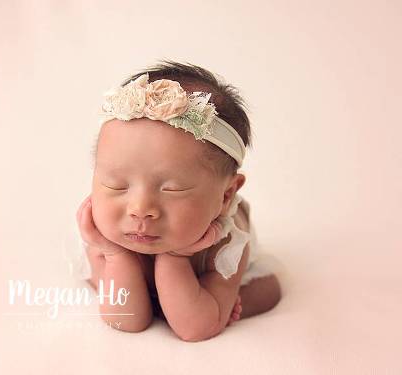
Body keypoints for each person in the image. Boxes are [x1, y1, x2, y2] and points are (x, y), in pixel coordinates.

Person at [75, 61, 281, 341]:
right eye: (116, 185)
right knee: (104, 283)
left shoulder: (226, 240)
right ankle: (151, 290)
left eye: (172, 189)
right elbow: (126, 321)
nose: (140, 210)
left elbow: (194, 329)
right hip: (119, 257)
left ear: (226, 195)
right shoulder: (104, 235)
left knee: (266, 292)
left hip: (208, 271)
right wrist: (116, 256)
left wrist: (176, 258)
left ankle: (221, 299)